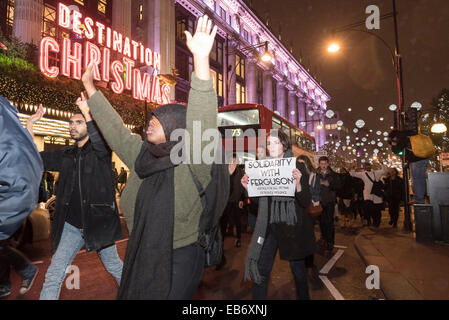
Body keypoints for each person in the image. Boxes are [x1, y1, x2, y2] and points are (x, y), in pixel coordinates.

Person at [80, 15, 227, 299]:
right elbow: (115, 131)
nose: (150, 122)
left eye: (158, 120)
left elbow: (202, 122)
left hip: (182, 257)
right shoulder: (141, 155)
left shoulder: (193, 160)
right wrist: (90, 87)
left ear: (175, 128)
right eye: (151, 118)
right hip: (141, 252)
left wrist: (200, 59)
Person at [27, 103, 123, 300]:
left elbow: (99, 139)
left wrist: (87, 112)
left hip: (97, 224)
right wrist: (30, 124)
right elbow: (34, 157)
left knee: (115, 267)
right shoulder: (67, 155)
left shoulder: (101, 152)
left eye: (78, 122)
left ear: (89, 126)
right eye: (71, 123)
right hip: (71, 226)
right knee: (54, 273)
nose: (73, 126)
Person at [241, 130, 316, 300]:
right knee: (261, 270)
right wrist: (249, 189)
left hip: (291, 228)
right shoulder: (263, 167)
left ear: (284, 144)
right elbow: (261, 202)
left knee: (298, 273)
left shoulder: (296, 166)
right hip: (269, 227)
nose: (271, 146)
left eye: (275, 142)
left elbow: (305, 202)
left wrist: (298, 184)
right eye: (269, 143)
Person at [297, 154, 323, 290]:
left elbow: (316, 192)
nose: (301, 166)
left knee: (308, 236)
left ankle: (309, 262)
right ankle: (302, 260)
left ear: (307, 164)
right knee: (300, 236)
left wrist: (306, 192)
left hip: (310, 208)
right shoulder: (296, 175)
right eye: (298, 163)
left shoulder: (314, 175)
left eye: (303, 163)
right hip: (300, 209)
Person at [389, 130, 429, 204]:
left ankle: (419, 199)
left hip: (416, 160)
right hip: (424, 157)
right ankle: (422, 198)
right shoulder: (410, 134)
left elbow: (397, 150)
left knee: (416, 180)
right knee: (420, 179)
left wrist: (393, 144)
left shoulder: (401, 137)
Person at [350, 163, 387, 228]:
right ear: (364, 167)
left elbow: (384, 171)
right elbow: (353, 174)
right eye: (366, 166)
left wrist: (382, 163)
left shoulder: (376, 173)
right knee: (368, 209)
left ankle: (376, 222)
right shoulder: (363, 174)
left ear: (371, 166)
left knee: (377, 210)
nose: (367, 167)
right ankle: (369, 221)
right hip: (368, 195)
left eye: (368, 166)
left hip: (376, 194)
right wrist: (353, 168)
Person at [316, 156, 341, 252]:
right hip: (319, 201)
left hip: (330, 201)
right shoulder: (315, 174)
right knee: (321, 222)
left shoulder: (333, 174)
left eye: (325, 164)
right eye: (321, 164)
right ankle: (324, 239)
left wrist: (329, 184)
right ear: (319, 164)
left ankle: (330, 241)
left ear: (328, 163)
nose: (323, 166)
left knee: (329, 222)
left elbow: (338, 186)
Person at [248, 145, 267, 232]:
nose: (259, 154)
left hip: (264, 207)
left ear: (265, 154)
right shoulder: (252, 167)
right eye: (257, 152)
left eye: (261, 152)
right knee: (253, 229)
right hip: (253, 206)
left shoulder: (270, 167)